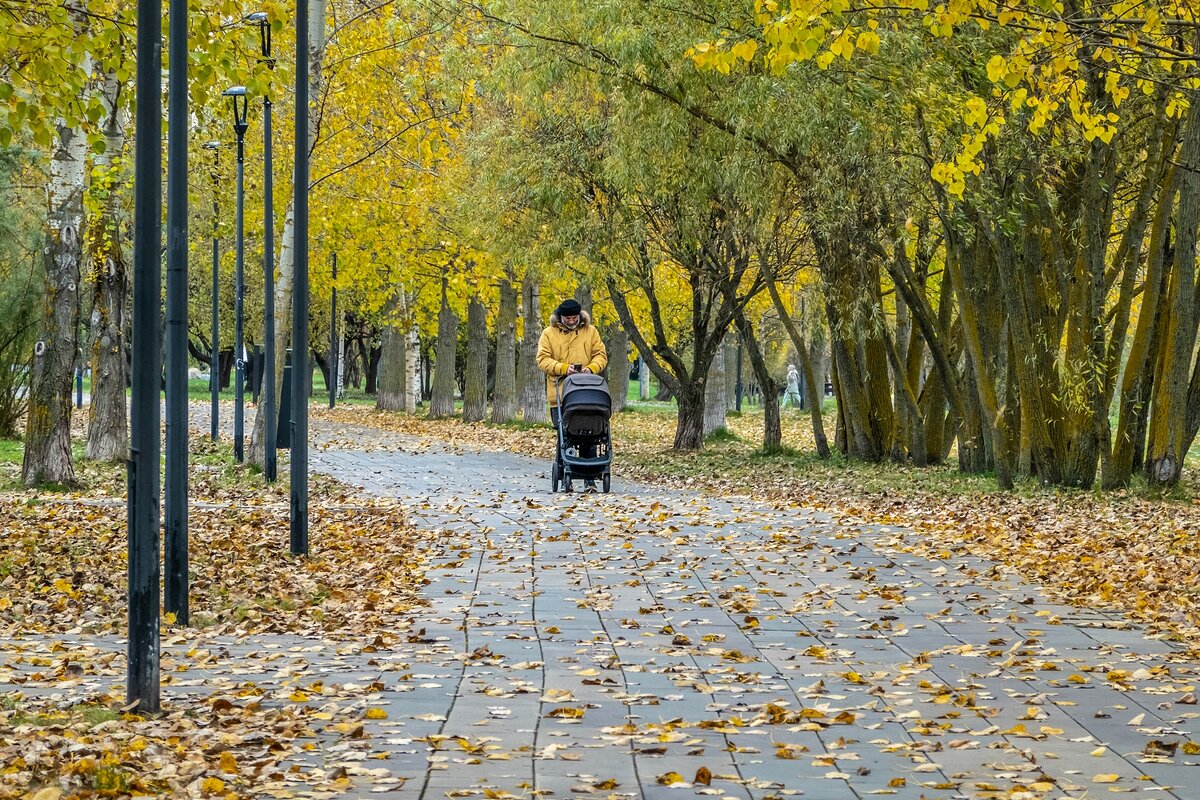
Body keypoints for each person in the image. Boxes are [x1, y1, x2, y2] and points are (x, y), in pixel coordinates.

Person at [537, 298, 608, 489]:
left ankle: (589, 478)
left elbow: (601, 355)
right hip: (560, 394)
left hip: (587, 391)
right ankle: (565, 470)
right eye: (567, 319)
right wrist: (563, 368)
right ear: (560, 318)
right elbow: (542, 360)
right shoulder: (549, 334)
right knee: (565, 435)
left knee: (590, 433)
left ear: (580, 316)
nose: (571, 321)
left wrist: (591, 368)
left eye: (574, 318)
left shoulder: (590, 331)